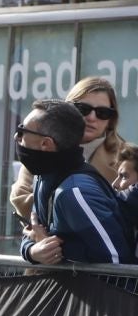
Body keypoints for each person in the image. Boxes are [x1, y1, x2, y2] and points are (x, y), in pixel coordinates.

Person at [16, 99, 132, 267]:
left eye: (22, 132)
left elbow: (118, 263)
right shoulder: (42, 176)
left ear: (45, 144)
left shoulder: (74, 192)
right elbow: (33, 234)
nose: (16, 137)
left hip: (97, 293)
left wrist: (59, 252)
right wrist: (32, 251)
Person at [10, 76, 123, 224]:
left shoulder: (126, 157)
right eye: (83, 109)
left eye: (102, 112)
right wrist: (30, 246)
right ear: (68, 110)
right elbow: (20, 199)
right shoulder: (41, 149)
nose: (91, 117)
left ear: (111, 119)